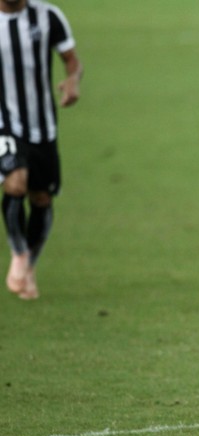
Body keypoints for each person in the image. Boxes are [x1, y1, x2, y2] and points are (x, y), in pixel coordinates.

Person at [0, 0, 82, 300]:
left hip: (43, 126)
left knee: (41, 198)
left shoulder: (47, 16)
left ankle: (29, 266)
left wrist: (73, 81)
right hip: (4, 123)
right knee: (15, 180)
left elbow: (71, 60)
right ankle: (19, 254)